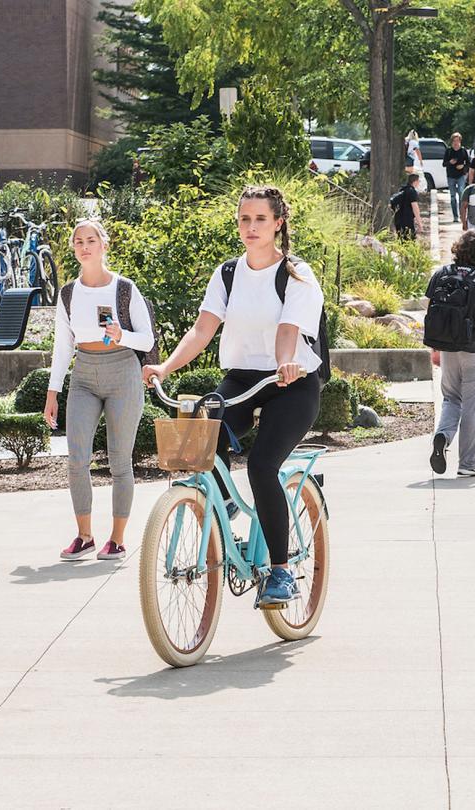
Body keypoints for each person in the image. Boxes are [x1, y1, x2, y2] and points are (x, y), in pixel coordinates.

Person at [141, 185, 324, 608]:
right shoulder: (228, 273)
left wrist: (284, 363)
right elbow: (203, 329)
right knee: (205, 431)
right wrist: (164, 368)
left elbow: (288, 330)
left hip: (292, 384)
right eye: (245, 219)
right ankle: (223, 503)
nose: (251, 227)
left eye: (260, 219)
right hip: (243, 378)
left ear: (278, 223)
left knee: (262, 465)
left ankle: (280, 573)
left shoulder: (297, 274)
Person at [46, 220, 156, 562]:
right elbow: (63, 346)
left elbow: (148, 339)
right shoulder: (68, 293)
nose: (84, 246)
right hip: (84, 375)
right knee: (77, 459)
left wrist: (122, 335)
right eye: (78, 241)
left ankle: (118, 539)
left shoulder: (125, 289)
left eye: (90, 240)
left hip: (123, 371)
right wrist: (53, 391)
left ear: (103, 245)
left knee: (120, 462)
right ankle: (84, 536)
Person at [426, 230, 475, 478]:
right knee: (473, 405)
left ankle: (443, 435)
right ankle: (468, 463)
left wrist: (434, 347)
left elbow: (431, 314)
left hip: (448, 346)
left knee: (451, 398)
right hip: (474, 347)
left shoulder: (441, 274)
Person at [443, 132, 472, 223]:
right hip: (451, 176)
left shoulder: (463, 151)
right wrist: (450, 162)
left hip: (461, 176)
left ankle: (461, 214)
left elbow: (468, 163)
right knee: (452, 197)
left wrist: (463, 167)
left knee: (461, 193)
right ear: (452, 142)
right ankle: (455, 216)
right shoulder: (448, 151)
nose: (456, 143)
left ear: (460, 141)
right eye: (454, 141)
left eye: (457, 141)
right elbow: (444, 164)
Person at [389, 172, 422, 240]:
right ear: (415, 181)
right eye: (419, 181)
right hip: (407, 220)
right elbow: (415, 207)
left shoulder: (403, 190)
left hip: (398, 219)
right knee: (410, 240)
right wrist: (419, 223)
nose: (419, 183)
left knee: (401, 239)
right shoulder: (412, 192)